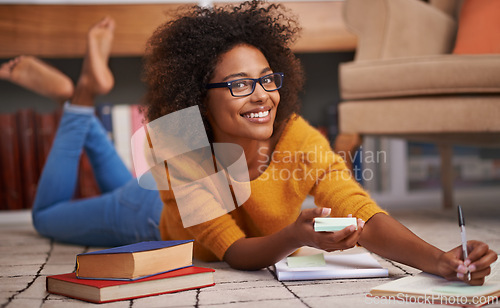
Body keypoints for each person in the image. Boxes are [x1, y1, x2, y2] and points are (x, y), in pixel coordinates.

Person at [1, 1, 495, 286]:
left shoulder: (298, 136)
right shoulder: (182, 143)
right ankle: (80, 98)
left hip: (156, 186)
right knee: (47, 218)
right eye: (238, 84)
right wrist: (296, 237)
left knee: (116, 176)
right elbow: (230, 251)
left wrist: (441, 260)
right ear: (199, 98)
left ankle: (83, 105)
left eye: (267, 78)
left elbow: (360, 210)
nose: (262, 96)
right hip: (148, 214)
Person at [0, 17, 164, 247]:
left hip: (158, 190)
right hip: (159, 216)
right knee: (44, 216)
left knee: (127, 192)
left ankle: (73, 100)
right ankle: (83, 93)